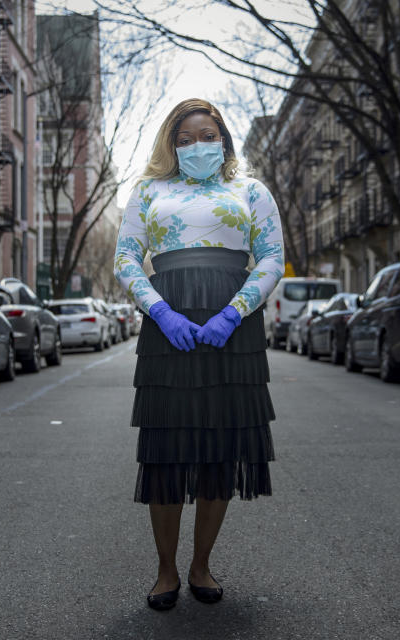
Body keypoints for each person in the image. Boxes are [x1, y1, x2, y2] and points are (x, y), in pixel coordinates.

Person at [113, 98, 285, 611]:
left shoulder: (251, 191)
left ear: (224, 139)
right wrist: (160, 312)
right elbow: (126, 256)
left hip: (234, 335)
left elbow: (272, 257)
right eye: (184, 139)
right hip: (169, 333)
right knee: (165, 451)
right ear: (171, 145)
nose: (195, 146)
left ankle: (200, 564)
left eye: (206, 135)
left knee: (219, 450)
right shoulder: (147, 191)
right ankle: (166, 570)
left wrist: (235, 311)